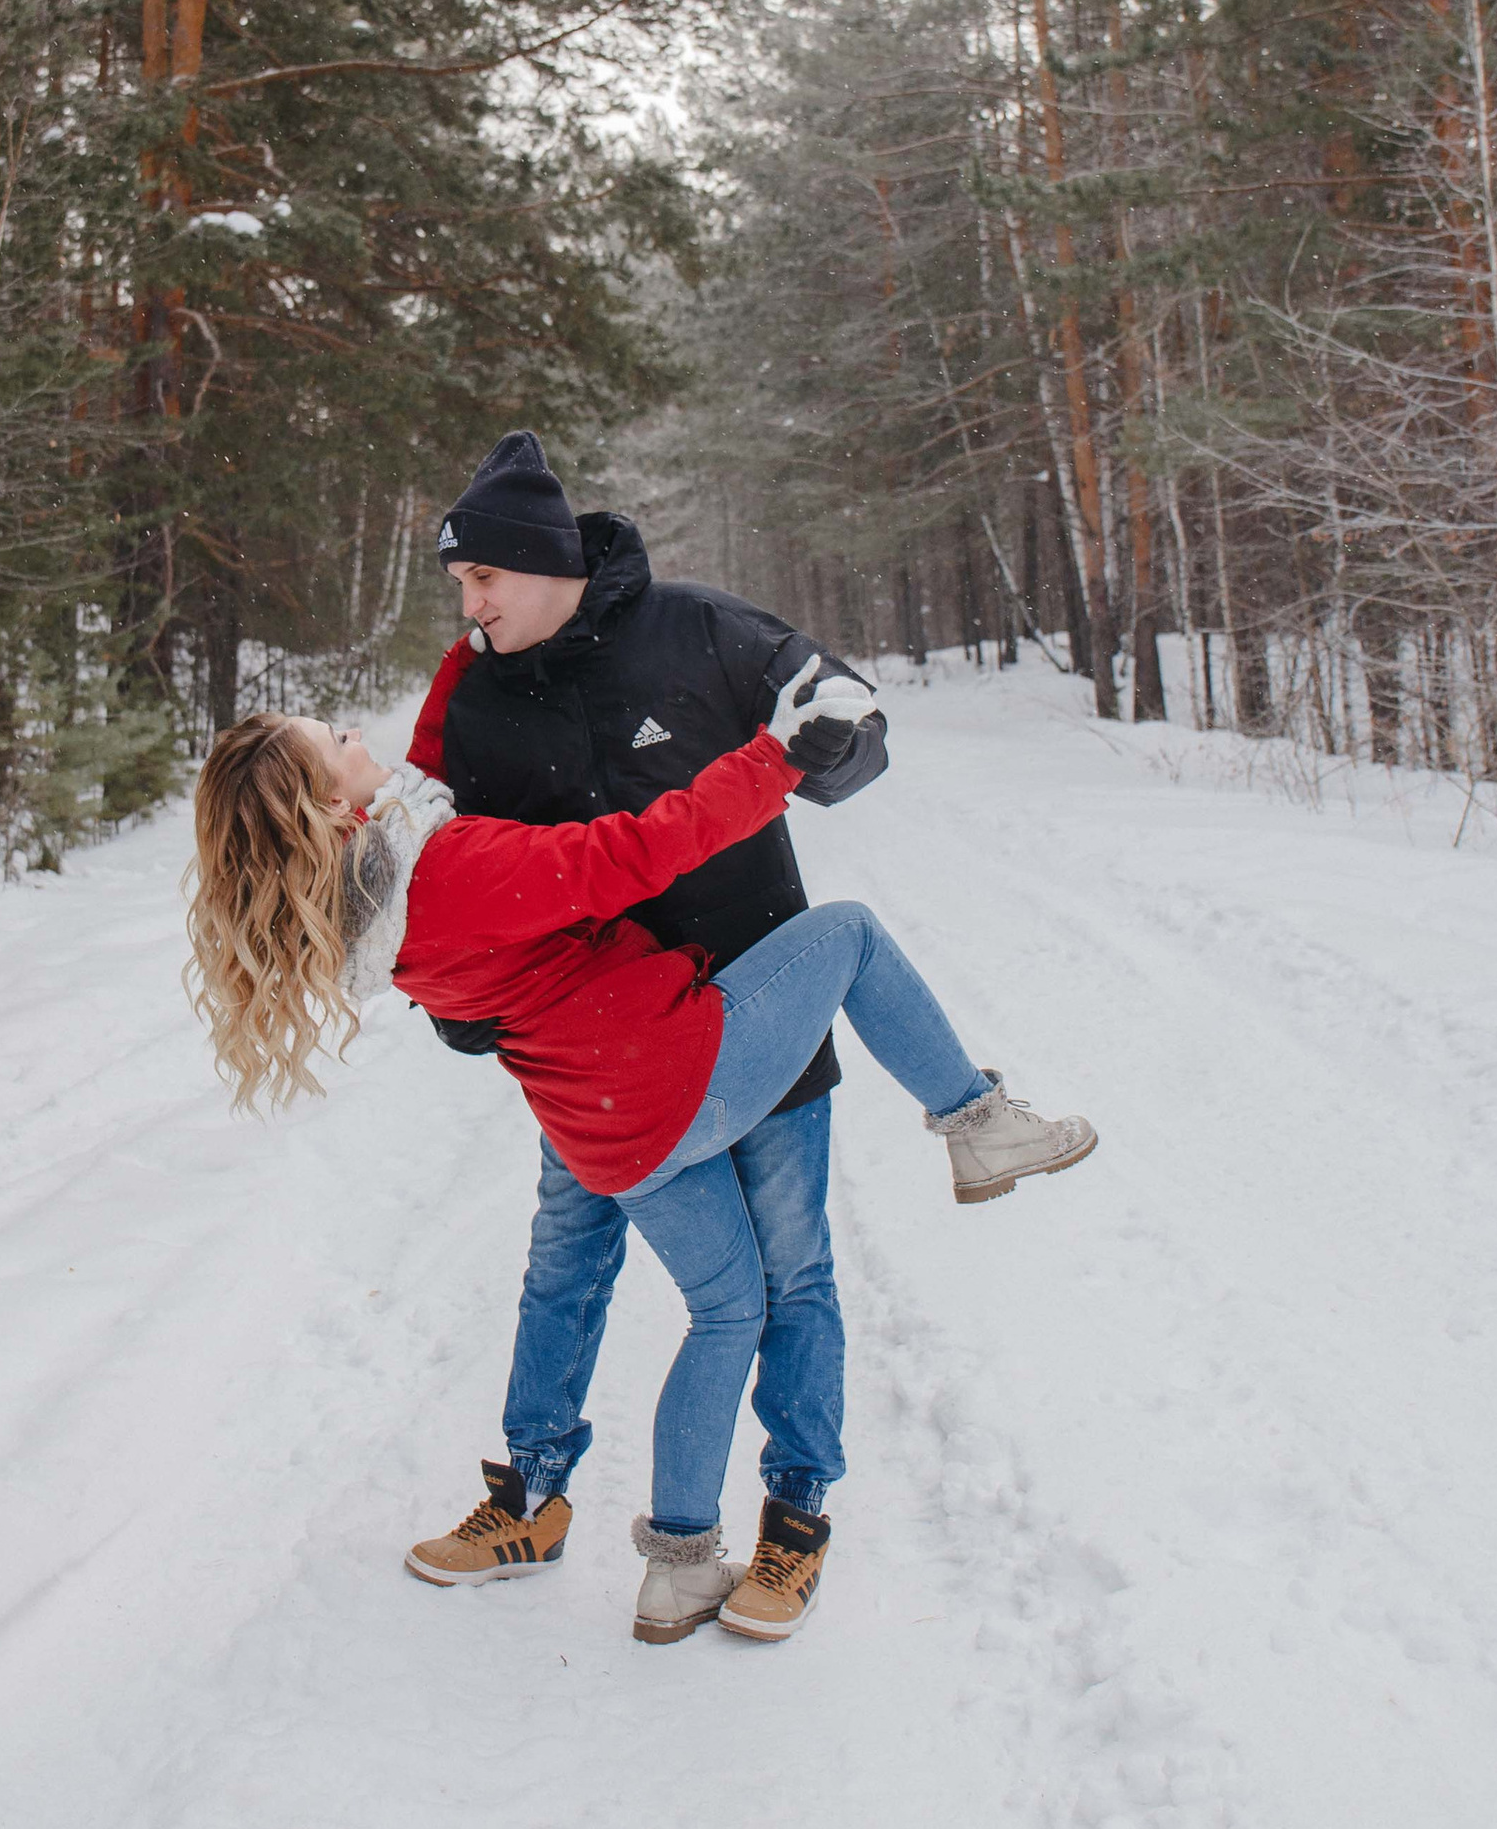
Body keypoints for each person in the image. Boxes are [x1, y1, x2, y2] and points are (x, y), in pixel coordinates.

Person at [184, 678, 1098, 1646]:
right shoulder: (452, 865)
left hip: (610, 1135)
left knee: (726, 1313)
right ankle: (979, 1122)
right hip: (683, 1069)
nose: (357, 731)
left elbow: (428, 783)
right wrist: (781, 753)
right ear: (335, 803)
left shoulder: (367, 906)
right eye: (335, 736)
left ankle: (680, 1567)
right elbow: (641, 847)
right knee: (851, 933)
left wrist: (480, 648)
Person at [398, 433, 887, 1622]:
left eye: (480, 580)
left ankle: (791, 1519)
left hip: (752, 1003)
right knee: (564, 1262)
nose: (465, 605)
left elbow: (844, 720)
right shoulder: (468, 686)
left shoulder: (699, 629)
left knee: (791, 1270)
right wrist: (459, 1004)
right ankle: (531, 1495)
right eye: (460, 585)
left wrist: (836, 737)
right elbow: (418, 855)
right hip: (591, 1049)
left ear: (540, 564)